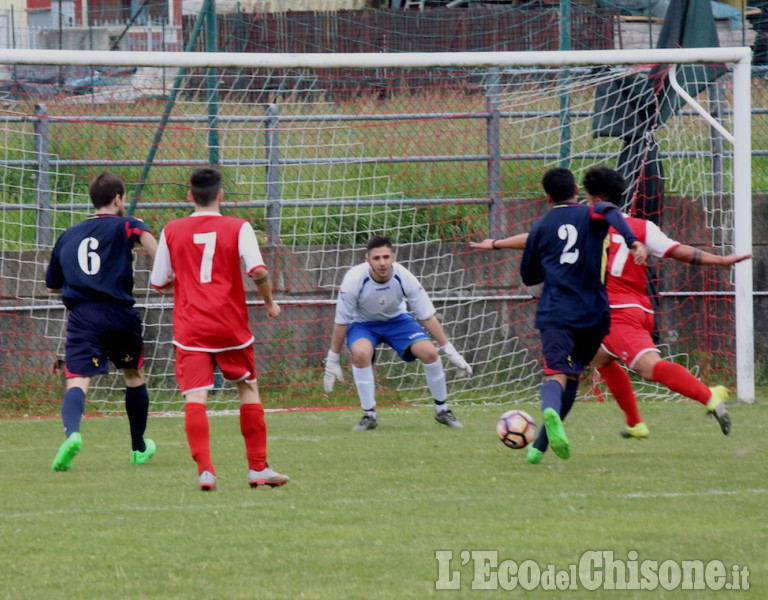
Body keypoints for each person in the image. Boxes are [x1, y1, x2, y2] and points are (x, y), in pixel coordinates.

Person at [582, 166, 751, 439]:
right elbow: (678, 251)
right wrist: (718, 260)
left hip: (617, 313)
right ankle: (635, 422)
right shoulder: (642, 227)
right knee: (600, 357)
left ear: (592, 198)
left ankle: (708, 395)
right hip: (643, 310)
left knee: (649, 367)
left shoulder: (587, 223)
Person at [149, 168, 289, 491]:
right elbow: (257, 271)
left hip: (191, 327)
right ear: (221, 195)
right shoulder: (239, 227)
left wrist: (185, 283)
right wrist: (269, 303)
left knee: (195, 396)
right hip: (229, 324)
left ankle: (206, 472)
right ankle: (257, 468)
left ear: (189, 196)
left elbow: (158, 283)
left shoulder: (171, 230)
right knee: (248, 389)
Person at [517, 167, 647, 463]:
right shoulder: (592, 213)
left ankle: (549, 411)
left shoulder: (539, 227)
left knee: (555, 374)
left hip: (557, 313)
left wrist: (548, 266)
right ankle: (538, 448)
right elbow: (611, 211)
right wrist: (631, 240)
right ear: (577, 188)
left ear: (547, 197)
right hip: (594, 315)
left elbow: (528, 276)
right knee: (574, 373)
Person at [46, 171, 158, 472]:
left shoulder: (68, 235)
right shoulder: (128, 224)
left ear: (92, 199)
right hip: (120, 314)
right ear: (118, 199)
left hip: (83, 316)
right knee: (133, 376)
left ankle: (73, 434)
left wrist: (81, 283)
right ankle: (138, 448)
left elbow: (52, 285)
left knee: (77, 381)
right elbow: (155, 251)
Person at [323, 235, 473, 431]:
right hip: (363, 324)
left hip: (397, 321)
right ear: (367, 260)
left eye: (386, 257)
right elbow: (341, 321)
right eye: (376, 258)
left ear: (393, 257)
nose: (382, 262)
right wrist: (332, 358)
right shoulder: (353, 280)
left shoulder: (404, 277)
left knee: (430, 353)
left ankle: (442, 410)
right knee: (361, 354)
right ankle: (369, 415)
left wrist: (450, 350)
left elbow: (426, 316)